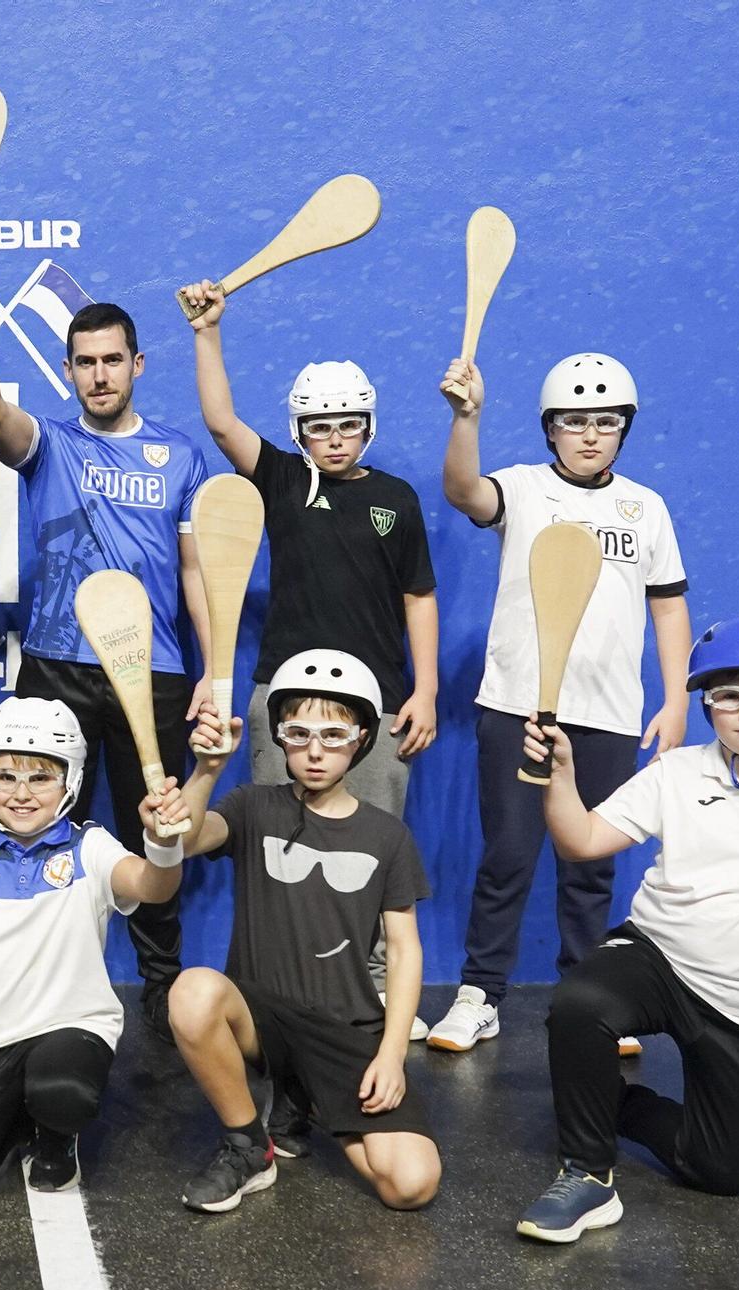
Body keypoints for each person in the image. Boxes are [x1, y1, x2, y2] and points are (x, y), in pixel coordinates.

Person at [514, 620, 739, 1242]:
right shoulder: (675, 773)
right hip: (660, 959)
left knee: (719, 1173)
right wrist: (561, 777)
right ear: (707, 705)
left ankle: (611, 1103)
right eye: (727, 696)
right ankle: (587, 1176)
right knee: (581, 1002)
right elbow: (581, 842)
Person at [0, 265, 213, 1039]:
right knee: (44, 833)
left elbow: (197, 572)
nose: (99, 374)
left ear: (137, 365)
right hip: (58, 666)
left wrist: (210, 672)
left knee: (155, 832)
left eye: (112, 359)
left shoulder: (181, 457)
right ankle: (43, 987)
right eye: (84, 362)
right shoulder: (50, 445)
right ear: (67, 372)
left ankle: (163, 998)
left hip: (154, 673)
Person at [177, 283, 438, 1049]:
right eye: (320, 427)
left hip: (380, 709)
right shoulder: (286, 483)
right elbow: (222, 424)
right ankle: (272, 990)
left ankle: (385, 988)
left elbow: (419, 596)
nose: (335, 438)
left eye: (348, 425)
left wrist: (423, 691)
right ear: (300, 431)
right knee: (277, 849)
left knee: (376, 850)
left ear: (368, 426)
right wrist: (208, 333)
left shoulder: (396, 500)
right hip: (281, 706)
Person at [430, 353, 691, 1057]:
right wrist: (467, 418)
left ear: (623, 430)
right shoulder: (521, 489)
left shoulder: (646, 508)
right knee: (510, 854)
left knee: (590, 868)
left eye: (606, 423)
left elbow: (668, 607)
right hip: (517, 706)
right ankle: (480, 995)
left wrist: (673, 700)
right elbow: (463, 491)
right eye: (575, 422)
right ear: (551, 429)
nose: (590, 435)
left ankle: (589, 1001)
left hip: (607, 715)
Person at [167, 652, 442, 1214]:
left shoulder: (387, 836)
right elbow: (187, 838)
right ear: (281, 737)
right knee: (192, 992)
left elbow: (406, 951)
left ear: (363, 739)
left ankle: (305, 1100)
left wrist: (391, 1055)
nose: (315, 750)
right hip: (262, 1018)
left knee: (410, 1184)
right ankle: (249, 1146)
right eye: (298, 733)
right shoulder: (251, 805)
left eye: (334, 734)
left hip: (344, 1030)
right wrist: (207, 772)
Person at [0, 697, 196, 1203]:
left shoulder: (91, 847)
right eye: (5, 777)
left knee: (61, 1094)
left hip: (72, 1028)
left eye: (40, 778)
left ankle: (57, 1134)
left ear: (71, 782)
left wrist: (162, 843)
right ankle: (20, 1107)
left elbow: (154, 886)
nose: (21, 794)